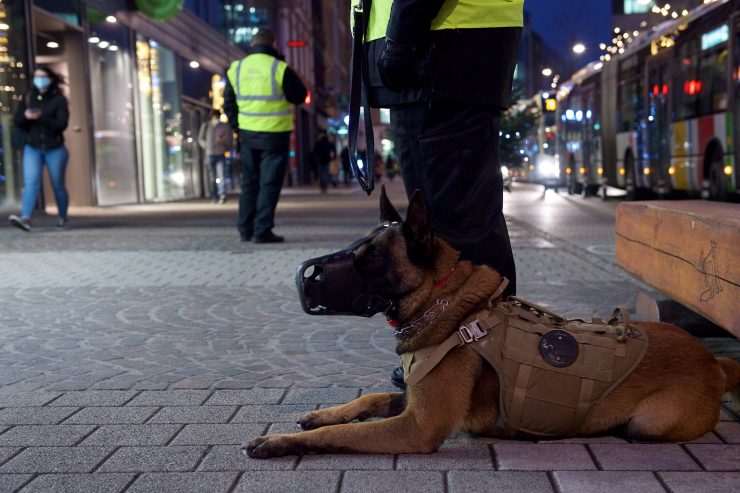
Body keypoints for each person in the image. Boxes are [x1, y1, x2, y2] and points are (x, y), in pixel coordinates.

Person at [352, 0, 523, 388]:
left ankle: (481, 365)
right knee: (455, 221)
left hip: (438, 56)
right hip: (437, 60)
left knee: (457, 225)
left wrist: (400, 39)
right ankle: (475, 356)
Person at [223, 29, 307, 243]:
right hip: (275, 136)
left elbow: (228, 103)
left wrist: (238, 127)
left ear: (252, 45)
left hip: (248, 136)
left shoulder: (236, 68)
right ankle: (262, 230)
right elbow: (299, 95)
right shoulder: (279, 68)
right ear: (274, 45)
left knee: (249, 183)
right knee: (269, 185)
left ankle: (245, 229)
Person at [9, 67, 70, 232]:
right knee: (31, 184)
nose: (39, 79)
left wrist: (42, 117)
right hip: (33, 148)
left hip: (55, 148)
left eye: (43, 76)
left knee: (58, 184)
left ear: (50, 79)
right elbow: (17, 121)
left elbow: (62, 125)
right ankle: (25, 218)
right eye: (36, 76)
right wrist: (26, 117)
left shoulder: (59, 100)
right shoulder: (28, 97)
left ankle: (62, 217)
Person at [198, 109, 233, 204]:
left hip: (220, 153)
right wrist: (206, 145)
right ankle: (214, 196)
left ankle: (222, 195)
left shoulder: (224, 127)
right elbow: (200, 139)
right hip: (209, 154)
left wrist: (223, 142)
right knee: (212, 176)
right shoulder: (206, 126)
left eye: (217, 117)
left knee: (221, 175)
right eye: (214, 117)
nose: (215, 119)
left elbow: (230, 142)